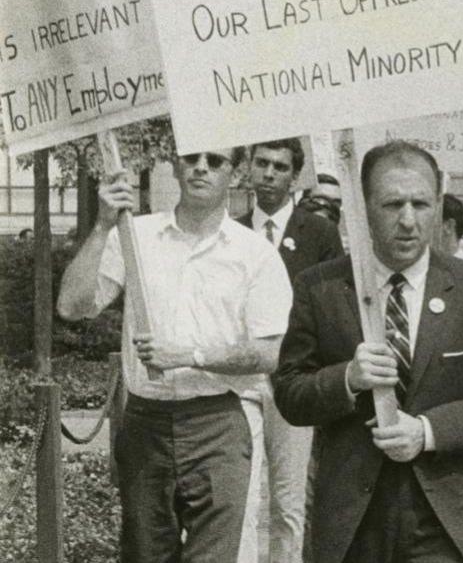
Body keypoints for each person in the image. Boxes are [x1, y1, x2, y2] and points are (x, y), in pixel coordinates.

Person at [271, 140, 463, 563]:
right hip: (354, 518)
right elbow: (289, 393)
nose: (408, 221)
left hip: (450, 517)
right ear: (362, 209)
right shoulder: (320, 288)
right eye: (392, 204)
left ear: (438, 204)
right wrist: (347, 378)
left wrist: (428, 431)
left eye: (421, 204)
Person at [57, 148, 291, 563]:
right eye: (191, 158)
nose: (202, 167)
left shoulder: (255, 254)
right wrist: (102, 224)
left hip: (217, 422)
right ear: (174, 165)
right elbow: (72, 307)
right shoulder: (136, 236)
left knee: (216, 556)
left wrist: (189, 355)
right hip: (146, 422)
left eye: (215, 161)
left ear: (234, 174)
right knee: (145, 554)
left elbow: (268, 353)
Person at [236, 138, 344, 562]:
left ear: (294, 176)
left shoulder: (318, 233)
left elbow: (335, 306)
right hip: (241, 378)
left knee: (289, 501)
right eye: (261, 163)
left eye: (279, 167)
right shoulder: (231, 230)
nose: (268, 174)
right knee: (239, 499)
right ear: (247, 167)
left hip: (293, 381)